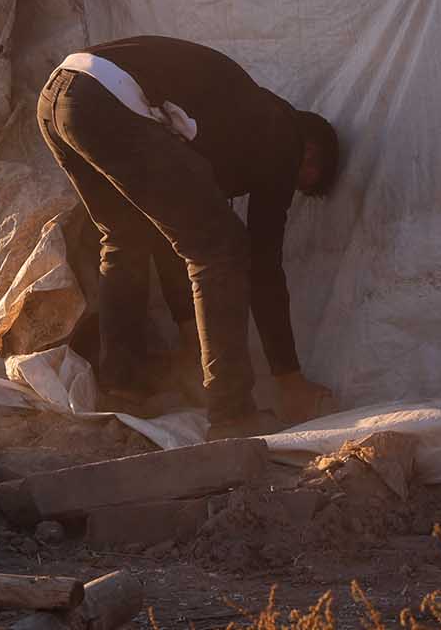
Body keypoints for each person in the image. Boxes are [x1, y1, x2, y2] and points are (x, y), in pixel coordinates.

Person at [36, 35, 339, 438]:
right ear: (310, 150)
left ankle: (122, 390)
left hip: (59, 96)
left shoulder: (227, 128)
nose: (288, 185)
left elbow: (169, 233)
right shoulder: (282, 134)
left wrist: (188, 330)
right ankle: (232, 415)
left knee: (125, 238)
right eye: (302, 177)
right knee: (222, 248)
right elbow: (262, 261)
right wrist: (289, 378)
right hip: (108, 96)